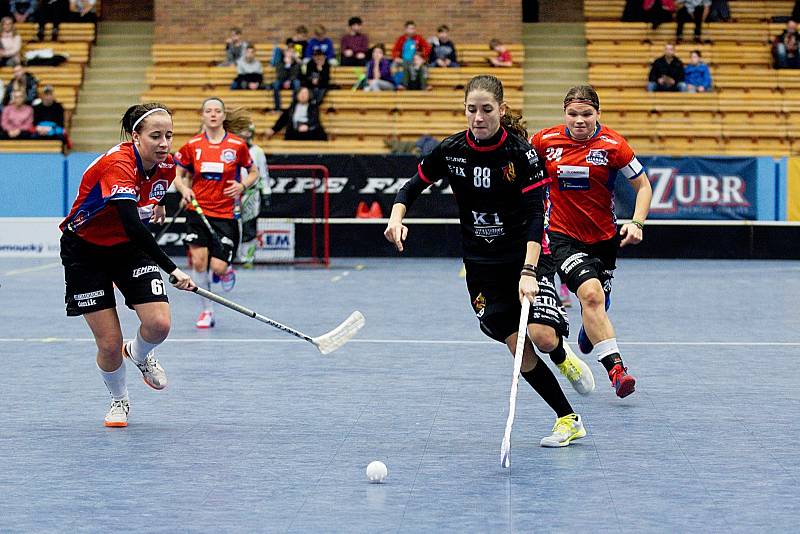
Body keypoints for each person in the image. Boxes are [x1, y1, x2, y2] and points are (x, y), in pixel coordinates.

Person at [384, 74, 592, 448]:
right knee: (518, 347)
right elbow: (411, 186)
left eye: (486, 109)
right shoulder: (451, 150)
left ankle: (562, 354)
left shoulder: (520, 154)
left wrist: (529, 271)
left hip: (526, 257)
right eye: (471, 110)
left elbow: (534, 215)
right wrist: (396, 218)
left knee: (542, 337)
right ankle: (568, 419)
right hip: (482, 266)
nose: (478, 117)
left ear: (501, 110)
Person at [59, 102, 196, 427]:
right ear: (136, 136)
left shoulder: (167, 166)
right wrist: (172, 269)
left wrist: (158, 203)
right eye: (155, 136)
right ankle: (119, 400)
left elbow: (153, 191)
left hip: (127, 249)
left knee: (159, 325)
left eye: (169, 135)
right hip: (85, 250)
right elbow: (133, 224)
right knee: (108, 343)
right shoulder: (117, 164)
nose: (164, 143)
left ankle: (138, 354)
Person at [529, 85, 653, 398]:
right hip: (562, 237)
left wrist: (637, 222)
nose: (579, 120)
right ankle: (617, 371)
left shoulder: (614, 144)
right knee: (591, 294)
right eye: (573, 114)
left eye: (586, 114)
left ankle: (591, 330)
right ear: (564, 114)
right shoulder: (544, 142)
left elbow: (644, 187)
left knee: (597, 302)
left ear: (597, 113)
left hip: (604, 240)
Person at [173, 98, 258, 329]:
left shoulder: (237, 145)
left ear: (222, 116)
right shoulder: (192, 145)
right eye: (208, 111)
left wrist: (242, 186)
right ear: (202, 116)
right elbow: (178, 175)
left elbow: (253, 172)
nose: (212, 114)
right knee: (200, 263)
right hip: (198, 211)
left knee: (218, 267)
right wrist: (184, 189)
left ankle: (225, 270)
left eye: (217, 111)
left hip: (225, 214)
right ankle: (207, 311)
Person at [237, 121, 270, 268]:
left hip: (251, 193)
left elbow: (263, 172)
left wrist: (266, 191)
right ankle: (230, 256)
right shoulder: (232, 149)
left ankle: (247, 257)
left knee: (249, 225)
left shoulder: (257, 151)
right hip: (232, 192)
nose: (245, 135)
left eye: (248, 132)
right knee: (232, 225)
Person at [271, 39, 301, 111]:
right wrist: (287, 65)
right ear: (285, 53)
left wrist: (289, 81)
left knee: (297, 83)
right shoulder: (280, 63)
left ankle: (294, 106)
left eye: (291, 52)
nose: (289, 54)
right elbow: (280, 75)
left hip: (291, 81)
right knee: (275, 84)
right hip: (282, 80)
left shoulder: (295, 64)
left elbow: (295, 74)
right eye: (288, 52)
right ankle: (278, 107)